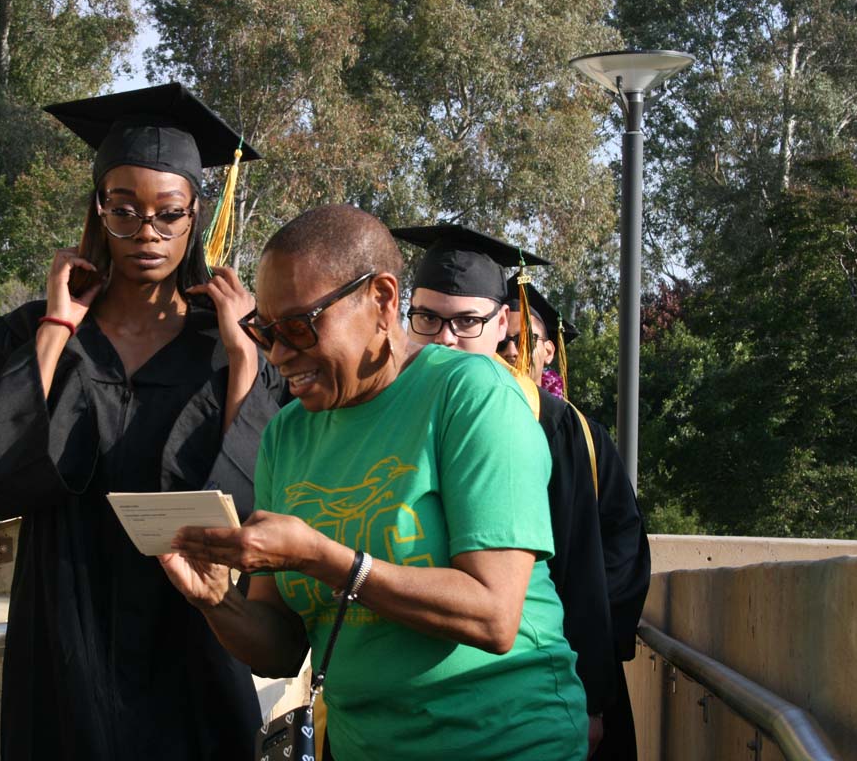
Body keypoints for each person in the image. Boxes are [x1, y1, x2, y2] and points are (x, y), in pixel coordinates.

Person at [0, 83, 286, 760]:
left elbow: (257, 492)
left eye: (167, 213)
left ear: (195, 216)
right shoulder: (33, 332)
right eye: (124, 210)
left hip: (191, 621)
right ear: (99, 208)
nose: (146, 232)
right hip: (67, 622)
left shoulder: (229, 345)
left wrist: (243, 359)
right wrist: (58, 325)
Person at [161, 205, 588, 760]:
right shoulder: (286, 435)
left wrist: (325, 559)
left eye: (299, 326)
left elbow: (493, 614)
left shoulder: (471, 396)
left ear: (383, 300)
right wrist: (218, 603)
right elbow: (281, 649)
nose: (281, 354)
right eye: (264, 332)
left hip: (505, 741)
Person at [392, 223, 650, 760]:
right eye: (427, 318)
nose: (444, 338)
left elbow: (586, 569)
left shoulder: (554, 425)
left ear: (500, 324)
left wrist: (593, 696)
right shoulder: (383, 415)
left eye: (466, 321)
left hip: (527, 689)